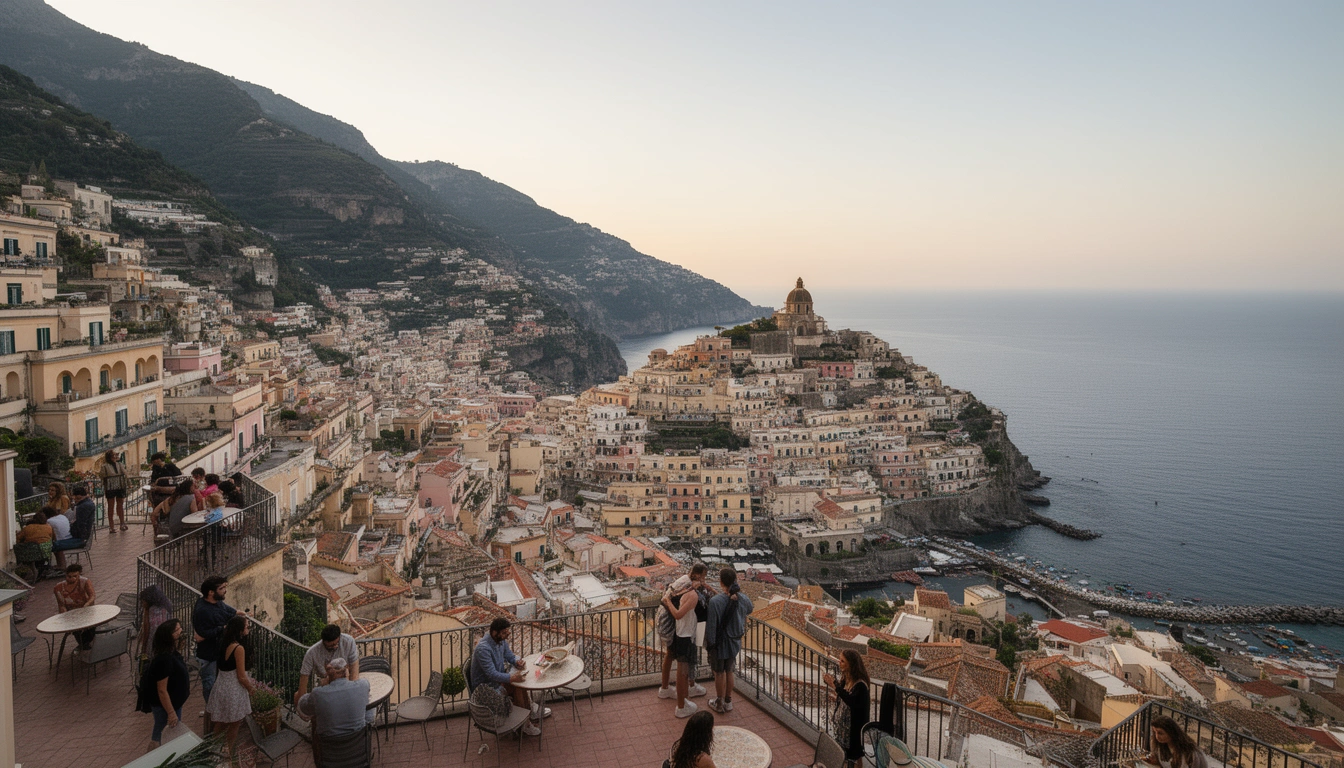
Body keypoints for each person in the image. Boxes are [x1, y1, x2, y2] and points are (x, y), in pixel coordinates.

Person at [469, 617, 547, 736]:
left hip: (496, 683)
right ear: (495, 632)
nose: (507, 635)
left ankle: (528, 714)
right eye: (504, 633)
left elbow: (509, 655)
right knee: (517, 686)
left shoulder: (500, 641)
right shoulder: (483, 649)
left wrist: (516, 661)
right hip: (487, 690)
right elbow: (491, 674)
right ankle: (525, 723)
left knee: (519, 685)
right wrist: (511, 678)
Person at [704, 568, 753, 714]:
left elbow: (711, 626)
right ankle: (728, 701)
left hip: (720, 643)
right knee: (730, 671)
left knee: (719, 673)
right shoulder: (742, 598)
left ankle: (719, 703)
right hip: (734, 641)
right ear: (735, 580)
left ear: (721, 582)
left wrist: (710, 645)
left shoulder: (715, 602)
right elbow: (749, 609)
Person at [662, 565, 709, 717]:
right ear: (696, 577)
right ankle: (681, 706)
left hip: (680, 633)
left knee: (680, 669)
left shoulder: (683, 591)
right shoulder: (692, 596)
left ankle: (681, 700)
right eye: (702, 578)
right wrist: (667, 601)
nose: (703, 581)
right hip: (685, 636)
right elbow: (678, 614)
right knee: (682, 672)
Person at [206, 615, 254, 763]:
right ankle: (229, 753)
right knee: (234, 724)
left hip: (221, 685)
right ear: (240, 630)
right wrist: (251, 689)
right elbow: (241, 676)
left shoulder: (223, 643)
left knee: (220, 722)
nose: (248, 629)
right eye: (246, 626)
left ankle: (213, 751)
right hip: (233, 689)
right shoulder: (238, 649)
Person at [138, 619, 190, 751]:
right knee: (161, 732)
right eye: (178, 630)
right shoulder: (164, 659)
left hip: (174, 703)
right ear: (170, 636)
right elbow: (161, 689)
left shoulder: (171, 653)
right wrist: (171, 712)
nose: (181, 631)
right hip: (166, 706)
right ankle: (155, 756)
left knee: (165, 731)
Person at [297, 657, 374, 738]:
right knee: (367, 701)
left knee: (318, 719)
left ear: (328, 674)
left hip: (330, 748)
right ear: (346, 671)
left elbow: (302, 707)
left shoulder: (318, 694)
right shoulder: (362, 685)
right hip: (357, 744)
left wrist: (323, 686)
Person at [192, 576, 238, 706]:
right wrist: (222, 628)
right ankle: (211, 712)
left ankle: (216, 710)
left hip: (216, 652)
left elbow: (227, 611)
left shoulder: (216, 602)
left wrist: (239, 614)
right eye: (221, 588)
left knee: (216, 682)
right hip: (208, 654)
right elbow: (202, 634)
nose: (225, 590)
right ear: (211, 592)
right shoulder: (203, 610)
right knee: (209, 684)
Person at [294, 623, 361, 710]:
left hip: (346, 683)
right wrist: (301, 703)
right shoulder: (312, 653)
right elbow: (304, 677)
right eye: (331, 646)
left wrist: (352, 691)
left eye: (337, 643)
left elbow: (354, 669)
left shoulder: (348, 641)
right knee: (297, 696)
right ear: (323, 642)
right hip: (326, 686)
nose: (335, 646)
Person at [823, 649, 871, 767]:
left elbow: (851, 701)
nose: (839, 663)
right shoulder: (846, 679)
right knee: (850, 754)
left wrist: (834, 685)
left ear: (851, 664)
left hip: (854, 728)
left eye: (843, 661)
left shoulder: (861, 685)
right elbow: (843, 694)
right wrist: (832, 682)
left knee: (854, 754)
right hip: (843, 725)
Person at [53, 563, 97, 648]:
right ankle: (83, 644)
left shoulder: (84, 582)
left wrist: (86, 605)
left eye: (75, 576)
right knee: (77, 629)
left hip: (86, 610)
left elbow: (92, 596)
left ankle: (86, 643)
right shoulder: (59, 587)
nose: (72, 579)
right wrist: (64, 616)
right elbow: (61, 604)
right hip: (71, 613)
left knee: (90, 627)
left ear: (79, 575)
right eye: (69, 576)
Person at [17, 508, 55, 577]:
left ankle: (24, 569)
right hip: (45, 552)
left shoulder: (28, 528)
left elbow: (18, 539)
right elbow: (53, 538)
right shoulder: (49, 527)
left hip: (31, 554)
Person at [138, 584, 174, 656]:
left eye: (143, 601)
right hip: (167, 642)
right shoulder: (167, 606)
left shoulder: (150, 611)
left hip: (154, 643)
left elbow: (146, 631)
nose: (142, 604)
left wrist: (143, 648)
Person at [100, 449, 129, 531]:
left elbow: (125, 473)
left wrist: (128, 482)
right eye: (114, 455)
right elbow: (102, 476)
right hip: (110, 486)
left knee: (120, 505)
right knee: (111, 506)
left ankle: (122, 523)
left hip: (120, 485)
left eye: (116, 455)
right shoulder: (104, 466)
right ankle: (111, 526)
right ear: (110, 457)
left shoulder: (119, 464)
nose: (116, 456)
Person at [45, 504, 75, 568]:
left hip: (62, 540)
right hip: (69, 537)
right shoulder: (62, 516)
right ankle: (61, 565)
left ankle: (61, 566)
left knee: (53, 546)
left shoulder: (49, 521)